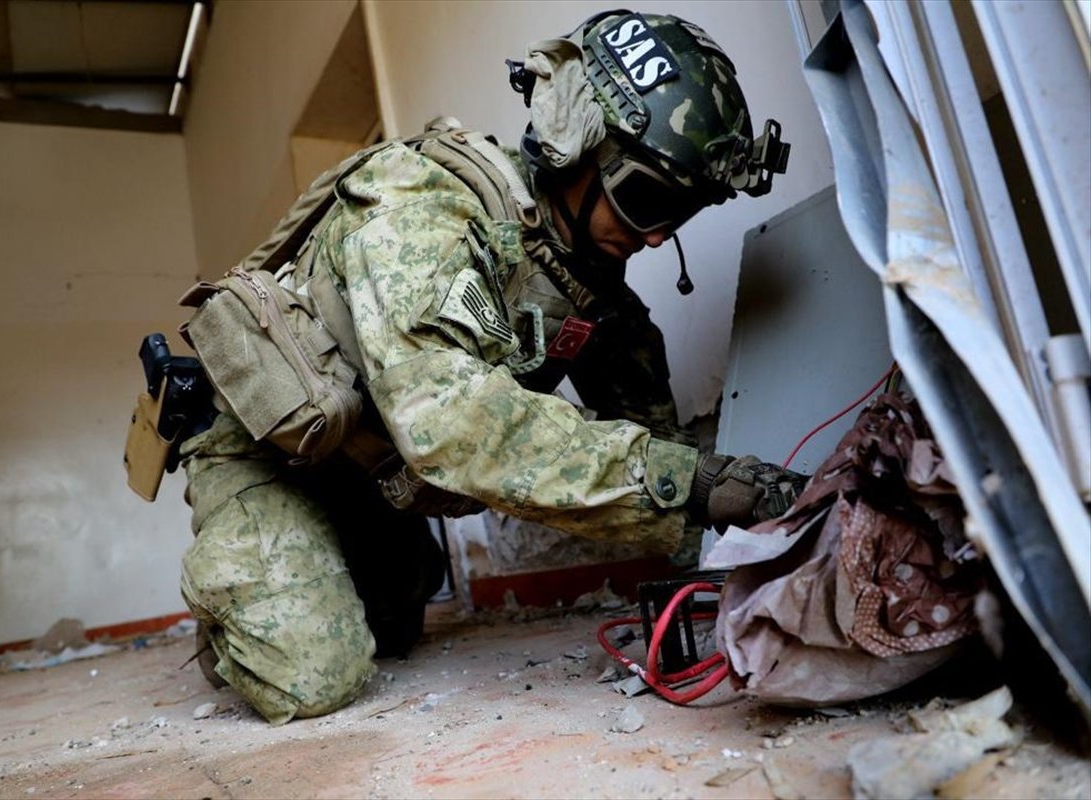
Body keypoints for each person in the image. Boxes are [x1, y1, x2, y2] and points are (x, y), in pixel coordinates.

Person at [174, 9, 803, 724]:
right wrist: (695, 485)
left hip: (369, 475)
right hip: (269, 453)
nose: (658, 237)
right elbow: (448, 424)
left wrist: (747, 527)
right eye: (646, 199)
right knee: (314, 674)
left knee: (392, 629)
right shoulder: (419, 203)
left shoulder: (589, 289)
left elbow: (656, 440)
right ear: (572, 144)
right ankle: (233, 580)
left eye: (681, 214)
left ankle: (328, 562)